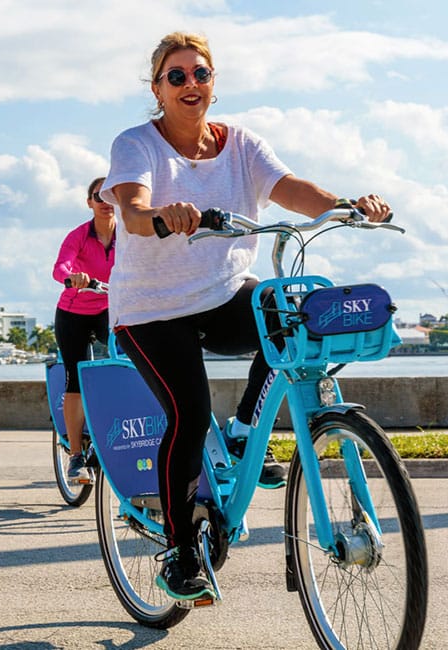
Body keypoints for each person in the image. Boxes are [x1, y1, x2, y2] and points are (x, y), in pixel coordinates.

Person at [99, 31, 392, 600]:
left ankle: (238, 437)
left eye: (200, 74)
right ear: (157, 88)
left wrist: (348, 206)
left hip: (222, 291)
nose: (190, 84)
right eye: (176, 76)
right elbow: (132, 211)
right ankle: (181, 553)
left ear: (214, 83)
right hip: (151, 311)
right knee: (187, 410)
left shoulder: (241, 145)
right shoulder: (137, 144)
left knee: (287, 320)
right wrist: (164, 214)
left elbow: (291, 189)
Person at [52, 177, 116, 483]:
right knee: (75, 379)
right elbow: (60, 267)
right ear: (89, 202)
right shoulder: (79, 235)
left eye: (110, 195)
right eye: (97, 196)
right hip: (73, 312)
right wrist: (74, 277)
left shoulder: (129, 234)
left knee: (130, 364)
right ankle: (76, 457)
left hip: (109, 310)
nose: (105, 202)